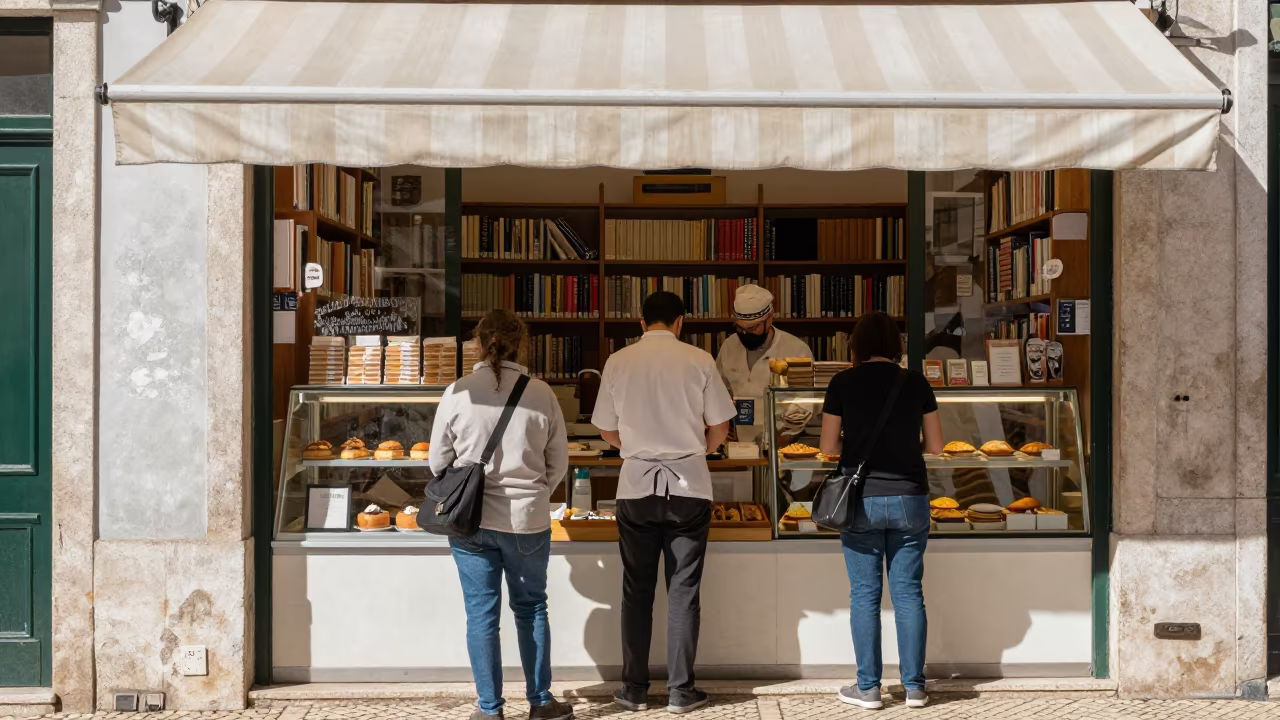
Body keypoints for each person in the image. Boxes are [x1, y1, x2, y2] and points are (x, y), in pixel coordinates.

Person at [592, 291, 737, 714]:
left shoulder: (618, 361)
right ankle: (680, 692)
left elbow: (606, 431)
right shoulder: (699, 359)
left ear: (641, 323)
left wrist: (636, 450)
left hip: (636, 487)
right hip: (689, 487)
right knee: (683, 591)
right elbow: (721, 428)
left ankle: (635, 690)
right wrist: (696, 453)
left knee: (636, 591)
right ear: (680, 322)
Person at [429, 309, 573, 720]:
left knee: (481, 615)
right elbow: (557, 462)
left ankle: (490, 710)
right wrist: (533, 489)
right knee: (531, 609)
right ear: (521, 344)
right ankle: (541, 703)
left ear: (477, 343)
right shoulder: (542, 393)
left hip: (471, 522)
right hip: (527, 520)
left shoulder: (458, 391)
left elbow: (438, 462)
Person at [818, 311, 944, 711]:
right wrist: (907, 449)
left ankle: (868, 688)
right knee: (908, 593)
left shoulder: (842, 382)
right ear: (897, 346)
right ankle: (916, 688)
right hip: (910, 497)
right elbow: (937, 446)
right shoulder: (916, 382)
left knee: (865, 595)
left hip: (861, 500)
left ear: (855, 346)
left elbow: (828, 446)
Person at [716, 285, 812, 444]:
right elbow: (719, 390)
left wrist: (786, 434)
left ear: (770, 317)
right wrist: (723, 424)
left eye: (752, 328)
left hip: (781, 442)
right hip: (739, 445)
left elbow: (806, 399)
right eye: (740, 328)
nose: (745, 334)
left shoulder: (795, 349)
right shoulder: (728, 346)